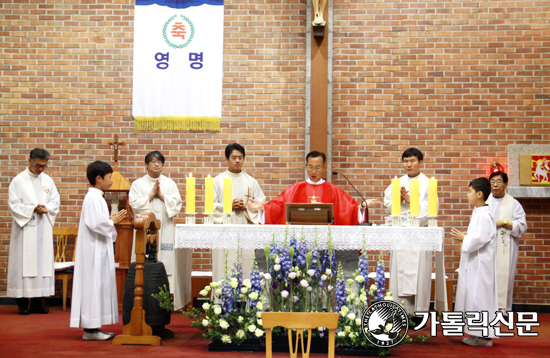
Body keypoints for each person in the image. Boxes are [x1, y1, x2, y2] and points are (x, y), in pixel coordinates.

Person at [70, 161, 127, 341]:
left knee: (95, 286)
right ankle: (91, 330)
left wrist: (109, 220)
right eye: (109, 177)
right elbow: (96, 224)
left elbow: (98, 221)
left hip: (96, 249)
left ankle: (92, 328)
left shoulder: (97, 196)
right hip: (92, 252)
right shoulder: (93, 197)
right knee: (92, 287)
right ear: (99, 178)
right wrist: (112, 221)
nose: (111, 181)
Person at [247, 151, 379, 225]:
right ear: (306, 166)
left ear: (324, 167)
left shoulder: (333, 189)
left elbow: (348, 208)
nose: (313, 171)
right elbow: (279, 206)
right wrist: (264, 207)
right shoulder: (296, 188)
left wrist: (361, 206)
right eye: (310, 167)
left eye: (317, 167)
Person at [129, 151, 190, 310]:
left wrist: (162, 195)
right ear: (146, 164)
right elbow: (134, 205)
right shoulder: (138, 184)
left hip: (165, 228)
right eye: (153, 161)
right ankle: (143, 300)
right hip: (144, 231)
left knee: (165, 260)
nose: (157, 164)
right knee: (144, 261)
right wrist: (150, 195)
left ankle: (164, 303)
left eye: (160, 162)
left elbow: (177, 205)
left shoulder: (169, 183)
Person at [7, 148, 60, 315]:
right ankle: (22, 304)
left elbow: (55, 201)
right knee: (23, 265)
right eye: (38, 165)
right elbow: (13, 205)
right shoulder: (18, 181)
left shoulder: (48, 181)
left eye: (44, 166)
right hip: (25, 231)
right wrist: (31, 209)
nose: (41, 169)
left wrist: (47, 207)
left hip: (42, 229)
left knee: (41, 265)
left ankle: (37, 303)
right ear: (29, 161)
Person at [383, 148, 434, 314]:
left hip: (418, 237)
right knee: (399, 273)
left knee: (419, 274)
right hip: (401, 237)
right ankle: (399, 311)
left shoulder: (428, 184)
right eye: (406, 161)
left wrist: (410, 201)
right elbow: (389, 209)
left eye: (412, 161)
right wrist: (397, 200)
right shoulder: (397, 183)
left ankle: (418, 313)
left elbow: (430, 211)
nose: (409, 164)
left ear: (420, 162)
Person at [450, 177, 498, 347]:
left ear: (479, 194)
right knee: (474, 298)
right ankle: (477, 333)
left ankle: (485, 337)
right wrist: (467, 236)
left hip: (481, 266)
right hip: (475, 263)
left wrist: (465, 238)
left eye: (469, 191)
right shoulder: (478, 212)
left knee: (481, 299)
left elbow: (480, 239)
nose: (467, 194)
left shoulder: (485, 215)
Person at [212, 143, 266, 281]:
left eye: (240, 158)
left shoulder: (251, 181)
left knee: (246, 264)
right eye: (234, 157)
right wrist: (228, 206)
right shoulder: (218, 180)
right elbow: (210, 207)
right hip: (225, 230)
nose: (237, 161)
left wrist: (246, 207)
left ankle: (246, 298)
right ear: (226, 159)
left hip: (245, 227)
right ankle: (223, 298)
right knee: (225, 265)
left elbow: (261, 205)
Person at [487, 171, 527, 313]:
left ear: (506, 184)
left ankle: (503, 310)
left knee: (505, 277)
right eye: (492, 182)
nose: (495, 185)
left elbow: (522, 226)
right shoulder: (485, 202)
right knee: (488, 277)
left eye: (498, 182)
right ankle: (488, 309)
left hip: (506, 246)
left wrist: (504, 222)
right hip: (487, 246)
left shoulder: (514, 204)